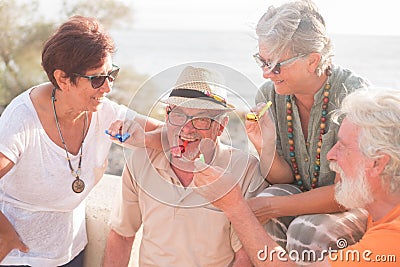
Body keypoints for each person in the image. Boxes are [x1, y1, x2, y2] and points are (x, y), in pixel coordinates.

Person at [0, 16, 161, 266]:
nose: (107, 88)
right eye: (97, 79)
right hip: (20, 258)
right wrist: (4, 232)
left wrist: (144, 138)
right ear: (63, 79)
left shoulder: (103, 111)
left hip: (71, 253)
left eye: (111, 74)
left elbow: (169, 135)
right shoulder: (22, 120)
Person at [194, 87, 400, 266]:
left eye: (343, 147)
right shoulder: (384, 211)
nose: (330, 155)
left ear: (378, 162)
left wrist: (234, 206)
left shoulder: (391, 241)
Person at [103, 66, 266, 267]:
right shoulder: (141, 160)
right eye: (179, 115)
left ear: (221, 126)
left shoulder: (245, 170)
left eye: (201, 120)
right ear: (167, 115)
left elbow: (245, 257)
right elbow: (122, 236)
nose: (187, 128)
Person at [244, 0, 370, 260]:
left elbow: (347, 194)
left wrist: (272, 206)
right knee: (263, 207)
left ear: (313, 60)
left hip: (354, 204)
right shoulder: (271, 94)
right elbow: (284, 180)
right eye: (262, 61)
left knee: (306, 229)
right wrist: (264, 146)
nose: (267, 73)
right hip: (301, 197)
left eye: (276, 64)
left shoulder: (354, 97)